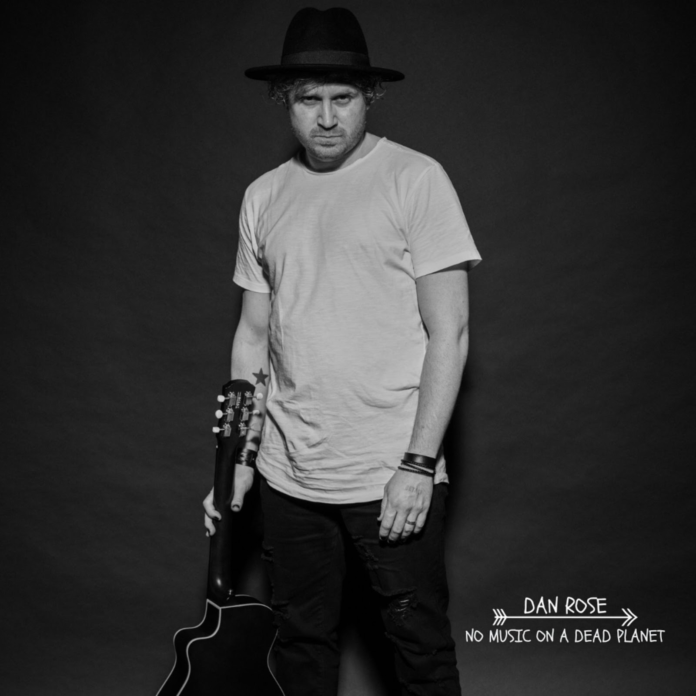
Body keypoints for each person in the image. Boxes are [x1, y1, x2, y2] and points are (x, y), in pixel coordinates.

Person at [203, 8, 481, 696]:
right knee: (300, 648)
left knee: (420, 649)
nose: (327, 118)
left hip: (389, 469)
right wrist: (239, 462)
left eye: (343, 98)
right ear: (284, 100)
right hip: (288, 474)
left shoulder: (416, 179)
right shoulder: (264, 196)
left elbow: (450, 332)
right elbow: (252, 337)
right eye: (308, 99)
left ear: (370, 97)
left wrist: (418, 465)